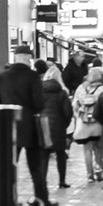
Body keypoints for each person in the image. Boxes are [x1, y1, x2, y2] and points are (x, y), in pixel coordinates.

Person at [0, 43, 54, 206]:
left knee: (8, 168)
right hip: (30, 128)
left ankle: (5, 202)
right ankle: (43, 203)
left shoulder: (2, 77)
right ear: (28, 58)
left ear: (15, 57)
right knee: (36, 170)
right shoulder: (32, 76)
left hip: (9, 127)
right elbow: (38, 102)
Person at [39, 63, 75, 191]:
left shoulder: (39, 91)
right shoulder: (62, 93)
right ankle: (62, 181)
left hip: (43, 125)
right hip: (59, 126)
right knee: (60, 154)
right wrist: (64, 124)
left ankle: (42, 181)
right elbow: (68, 112)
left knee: (44, 154)